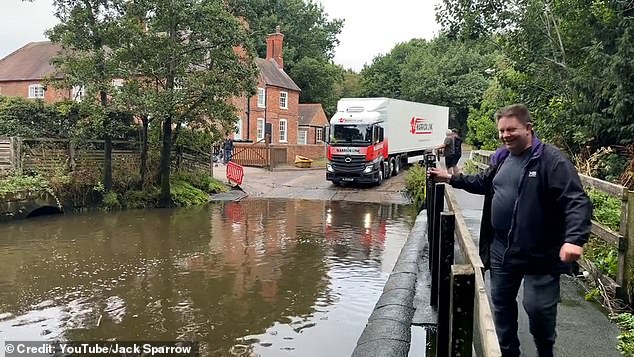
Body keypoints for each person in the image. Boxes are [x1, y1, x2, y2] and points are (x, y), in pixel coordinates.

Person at [429, 104, 592, 357]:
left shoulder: (551, 160)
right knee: (502, 307)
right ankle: (508, 353)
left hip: (540, 253)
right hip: (501, 249)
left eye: (511, 129)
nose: (505, 135)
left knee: (537, 309)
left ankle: (544, 351)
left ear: (528, 128)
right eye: (502, 131)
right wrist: (450, 178)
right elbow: (484, 183)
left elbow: (576, 201)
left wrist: (574, 239)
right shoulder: (502, 158)